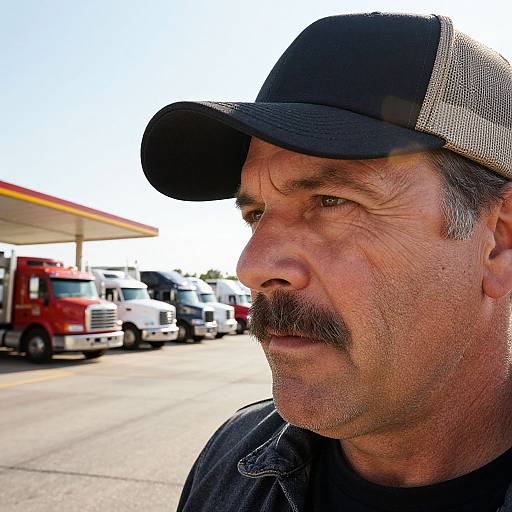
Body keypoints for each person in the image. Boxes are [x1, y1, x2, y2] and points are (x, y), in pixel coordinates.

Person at [141, 12, 512, 512]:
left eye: (332, 200)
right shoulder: (230, 462)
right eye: (255, 213)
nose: (252, 266)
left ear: (499, 242)